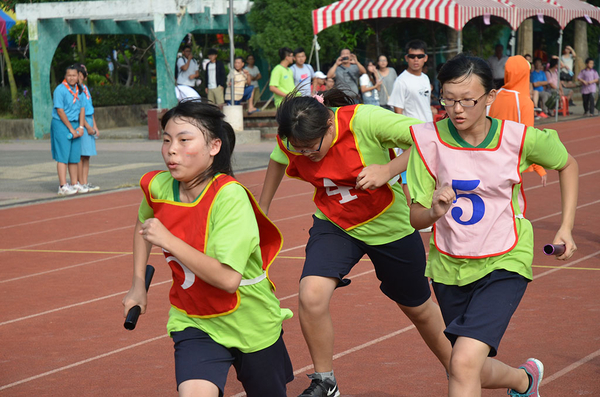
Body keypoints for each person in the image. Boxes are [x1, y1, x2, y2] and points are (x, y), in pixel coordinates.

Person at [259, 89, 452, 397]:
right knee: (311, 295)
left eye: (312, 148)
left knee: (417, 309)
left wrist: (387, 170)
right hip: (335, 224)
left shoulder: (366, 121)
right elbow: (277, 160)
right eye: (299, 148)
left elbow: (432, 138)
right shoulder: (292, 137)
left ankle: (458, 368)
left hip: (390, 227)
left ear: (330, 125)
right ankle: (326, 381)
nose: (305, 154)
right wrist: (263, 208)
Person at [408, 53, 579, 397]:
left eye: (467, 101)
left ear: (489, 98)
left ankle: (523, 382)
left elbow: (568, 164)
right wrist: (434, 211)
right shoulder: (427, 142)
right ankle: (524, 381)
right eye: (448, 100)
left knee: (462, 364)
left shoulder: (518, 138)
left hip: (505, 259)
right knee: (467, 365)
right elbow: (415, 217)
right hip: (449, 266)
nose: (456, 109)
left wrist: (566, 227)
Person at [122, 100, 294, 397]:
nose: (171, 149)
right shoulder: (158, 187)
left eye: (184, 140)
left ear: (214, 146)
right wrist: (138, 284)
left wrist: (169, 240)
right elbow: (144, 227)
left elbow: (228, 280)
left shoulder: (229, 198)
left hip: (250, 318)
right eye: (166, 140)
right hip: (194, 318)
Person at [388, 39, 433, 215]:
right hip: (410, 134)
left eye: (420, 56)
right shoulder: (401, 81)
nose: (416, 59)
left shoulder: (425, 78)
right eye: (412, 56)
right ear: (406, 58)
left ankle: (425, 211)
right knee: (408, 176)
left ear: (425, 58)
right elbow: (397, 111)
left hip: (427, 132)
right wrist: (400, 138)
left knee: (427, 174)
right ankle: (411, 214)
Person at [488, 55, 547, 186]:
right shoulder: (524, 102)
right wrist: (538, 166)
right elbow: (529, 138)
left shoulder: (493, 95)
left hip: (490, 158)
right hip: (512, 162)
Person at [51, 64, 86, 196]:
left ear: (78, 77)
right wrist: (71, 129)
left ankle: (74, 183)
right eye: (69, 75)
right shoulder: (60, 90)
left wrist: (81, 127)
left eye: (74, 75)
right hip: (62, 124)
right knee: (63, 155)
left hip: (76, 123)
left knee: (74, 156)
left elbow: (82, 109)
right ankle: (62, 185)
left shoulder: (79, 89)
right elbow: (60, 110)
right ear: (65, 76)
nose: (71, 78)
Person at [76, 64, 100, 192]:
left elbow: (90, 108)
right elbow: (80, 110)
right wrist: (87, 126)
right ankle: (80, 182)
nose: (85, 75)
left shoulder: (85, 88)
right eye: (83, 72)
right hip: (83, 123)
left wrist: (94, 126)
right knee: (81, 155)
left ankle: (85, 182)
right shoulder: (76, 90)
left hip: (89, 121)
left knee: (87, 155)